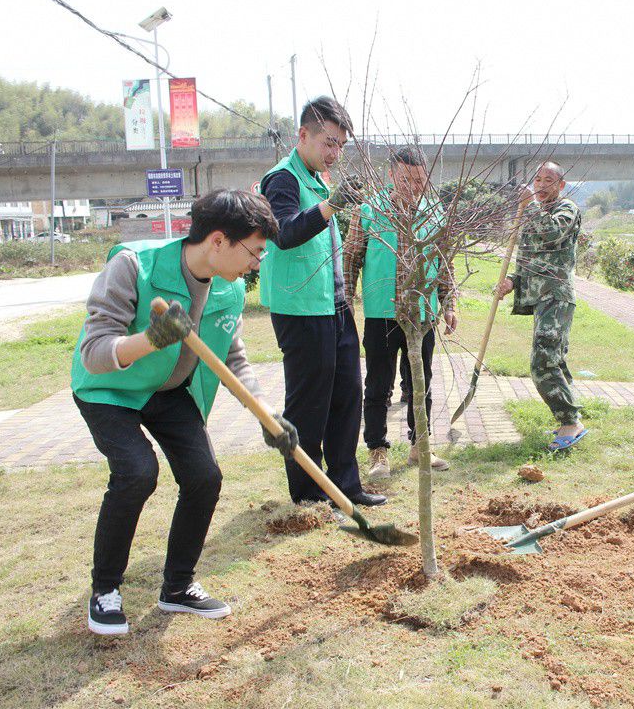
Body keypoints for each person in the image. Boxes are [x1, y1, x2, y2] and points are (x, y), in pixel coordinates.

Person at [71, 189, 299, 636]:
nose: (257, 263)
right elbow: (93, 354)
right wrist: (151, 339)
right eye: (254, 251)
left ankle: (177, 587)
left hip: (171, 390)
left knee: (204, 477)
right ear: (218, 241)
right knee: (136, 471)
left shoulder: (228, 290)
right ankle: (105, 591)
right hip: (110, 389)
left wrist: (266, 414)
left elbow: (233, 361)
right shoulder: (134, 267)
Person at [259, 96, 386, 509]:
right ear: (303, 136)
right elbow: (284, 232)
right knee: (309, 404)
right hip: (299, 310)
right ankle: (308, 494)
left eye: (340, 147)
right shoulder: (282, 179)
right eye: (328, 143)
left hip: (334, 306)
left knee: (348, 396)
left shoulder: (316, 178)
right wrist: (331, 206)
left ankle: (345, 486)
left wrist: (330, 200)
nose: (334, 153)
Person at [344, 146, 458, 478]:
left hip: (422, 314)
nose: (414, 186)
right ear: (392, 175)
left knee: (421, 383)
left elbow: (445, 266)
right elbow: (350, 259)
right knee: (378, 385)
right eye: (407, 179)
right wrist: (347, 299)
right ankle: (377, 451)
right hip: (382, 314)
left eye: (420, 180)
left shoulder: (435, 213)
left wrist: (449, 305)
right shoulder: (369, 211)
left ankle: (419, 446)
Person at [494, 162, 585, 451]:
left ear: (561, 185)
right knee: (553, 358)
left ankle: (571, 420)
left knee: (542, 360)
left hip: (556, 295)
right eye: (537, 179)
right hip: (541, 296)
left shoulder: (566, 210)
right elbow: (529, 256)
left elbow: (552, 234)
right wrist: (512, 280)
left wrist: (529, 206)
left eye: (549, 180)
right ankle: (567, 418)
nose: (541, 185)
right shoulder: (535, 211)